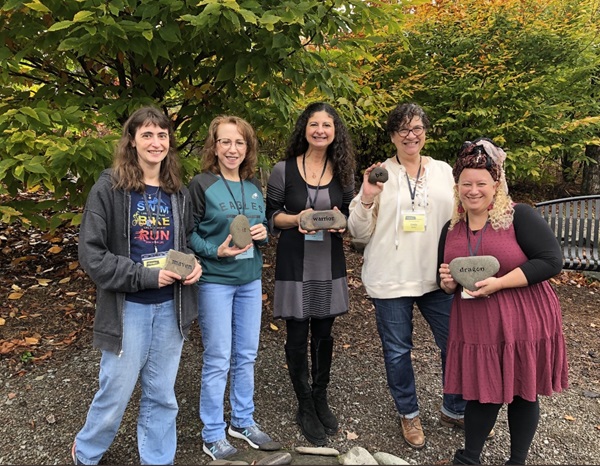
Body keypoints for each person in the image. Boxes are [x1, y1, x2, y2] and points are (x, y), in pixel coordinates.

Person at [73, 106, 202, 465]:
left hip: (171, 307)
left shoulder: (177, 191)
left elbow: (185, 242)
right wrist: (144, 276)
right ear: (132, 140)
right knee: (115, 391)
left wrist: (191, 265)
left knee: (162, 393)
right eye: (147, 134)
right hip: (128, 307)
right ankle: (86, 452)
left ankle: (157, 458)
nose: (156, 142)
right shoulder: (109, 188)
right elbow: (92, 254)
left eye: (162, 135)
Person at [347, 102, 471, 450]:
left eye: (416, 128)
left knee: (454, 344)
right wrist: (367, 198)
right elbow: (357, 233)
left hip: (438, 278)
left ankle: (455, 407)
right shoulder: (379, 173)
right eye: (402, 129)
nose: (410, 135)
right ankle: (409, 412)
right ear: (392, 136)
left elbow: (463, 218)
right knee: (398, 351)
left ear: (425, 132)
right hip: (390, 277)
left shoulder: (445, 171)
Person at [437, 138, 569, 465]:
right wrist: (446, 283)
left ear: (495, 185)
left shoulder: (518, 217)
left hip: (524, 318)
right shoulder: (450, 229)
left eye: (481, 183)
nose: (473, 190)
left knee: (523, 392)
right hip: (476, 324)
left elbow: (552, 260)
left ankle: (517, 461)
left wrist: (499, 284)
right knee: (481, 393)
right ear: (457, 186)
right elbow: (445, 281)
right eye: (466, 183)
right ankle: (470, 458)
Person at [188, 115, 280, 461]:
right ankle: (211, 432)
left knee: (247, 354)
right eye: (225, 141)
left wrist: (263, 234)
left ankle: (242, 420)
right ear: (213, 146)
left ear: (248, 148)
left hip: (250, 281)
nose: (232, 149)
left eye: (239, 142)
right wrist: (216, 250)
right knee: (217, 357)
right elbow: (189, 233)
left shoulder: (254, 186)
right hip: (215, 281)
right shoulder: (201, 184)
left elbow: (263, 232)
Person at [266, 102, 355, 446]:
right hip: (294, 260)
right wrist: (297, 219)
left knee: (323, 330)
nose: (320, 130)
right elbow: (271, 215)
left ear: (335, 132)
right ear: (304, 128)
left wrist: (340, 221)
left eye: (327, 125)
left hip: (327, 260)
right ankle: (303, 402)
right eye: (314, 124)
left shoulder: (343, 171)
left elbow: (349, 216)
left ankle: (321, 394)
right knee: (297, 331)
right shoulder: (283, 170)